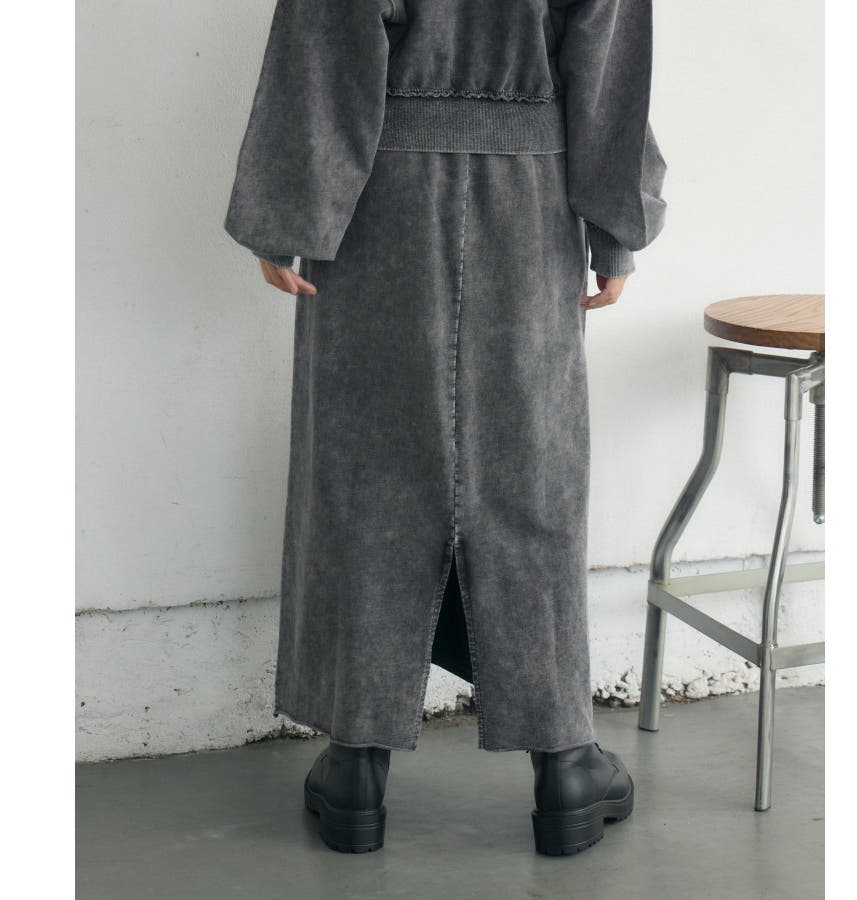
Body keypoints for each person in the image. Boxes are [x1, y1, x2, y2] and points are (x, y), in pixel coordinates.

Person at [224, 0, 667, 856]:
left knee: (366, 464)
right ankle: (565, 763)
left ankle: (356, 761)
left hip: (379, 197)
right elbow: (609, 60)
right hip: (532, 197)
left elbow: (326, 36)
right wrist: (616, 232)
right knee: (531, 470)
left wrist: (287, 210)